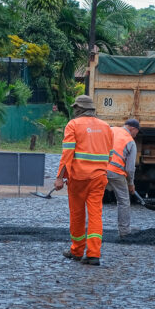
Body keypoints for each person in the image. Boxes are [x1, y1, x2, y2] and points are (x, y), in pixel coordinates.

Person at [54, 94, 113, 266]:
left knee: (77, 214)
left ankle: (77, 250)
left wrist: (59, 178)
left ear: (79, 109)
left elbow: (67, 154)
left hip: (78, 178)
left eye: (75, 108)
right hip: (99, 177)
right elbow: (109, 154)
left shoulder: (73, 125)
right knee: (96, 214)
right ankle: (94, 254)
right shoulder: (105, 126)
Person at [106, 118, 140, 240]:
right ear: (133, 129)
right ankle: (124, 231)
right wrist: (131, 183)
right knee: (123, 201)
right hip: (116, 172)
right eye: (137, 132)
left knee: (94, 199)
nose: (136, 135)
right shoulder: (130, 141)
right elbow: (130, 168)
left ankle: (90, 229)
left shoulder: (110, 130)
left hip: (99, 169)